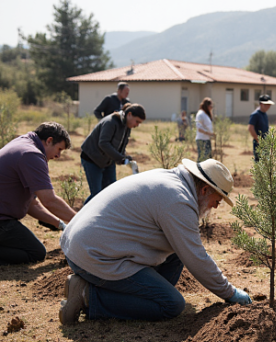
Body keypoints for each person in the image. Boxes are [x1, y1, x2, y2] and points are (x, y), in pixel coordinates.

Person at [59, 158, 252, 324]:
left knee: (178, 252)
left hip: (86, 243)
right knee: (171, 304)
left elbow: (187, 251)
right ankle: (87, 295)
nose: (215, 207)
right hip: (93, 255)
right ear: (205, 190)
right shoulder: (178, 200)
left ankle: (144, 295)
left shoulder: (171, 180)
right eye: (217, 201)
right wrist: (229, 293)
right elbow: (196, 257)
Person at [0, 122, 76, 265]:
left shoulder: (24, 143)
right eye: (59, 149)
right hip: (2, 221)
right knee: (35, 253)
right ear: (49, 141)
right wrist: (79, 222)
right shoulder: (31, 155)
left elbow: (32, 205)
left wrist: (60, 224)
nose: (58, 155)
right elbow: (50, 201)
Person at [81, 103, 146, 204]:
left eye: (139, 123)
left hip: (107, 160)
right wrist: (120, 158)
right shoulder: (111, 122)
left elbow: (121, 146)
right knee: (97, 195)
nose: (137, 125)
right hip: (92, 159)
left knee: (111, 191)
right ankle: (83, 213)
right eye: (137, 121)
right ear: (129, 114)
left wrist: (124, 157)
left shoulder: (127, 126)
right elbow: (103, 143)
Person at [248, 95, 274, 161]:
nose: (268, 106)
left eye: (269, 104)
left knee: (266, 161)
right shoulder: (255, 115)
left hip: (266, 143)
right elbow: (250, 128)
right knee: (259, 162)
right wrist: (258, 140)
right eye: (266, 104)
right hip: (259, 144)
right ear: (261, 104)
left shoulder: (264, 114)